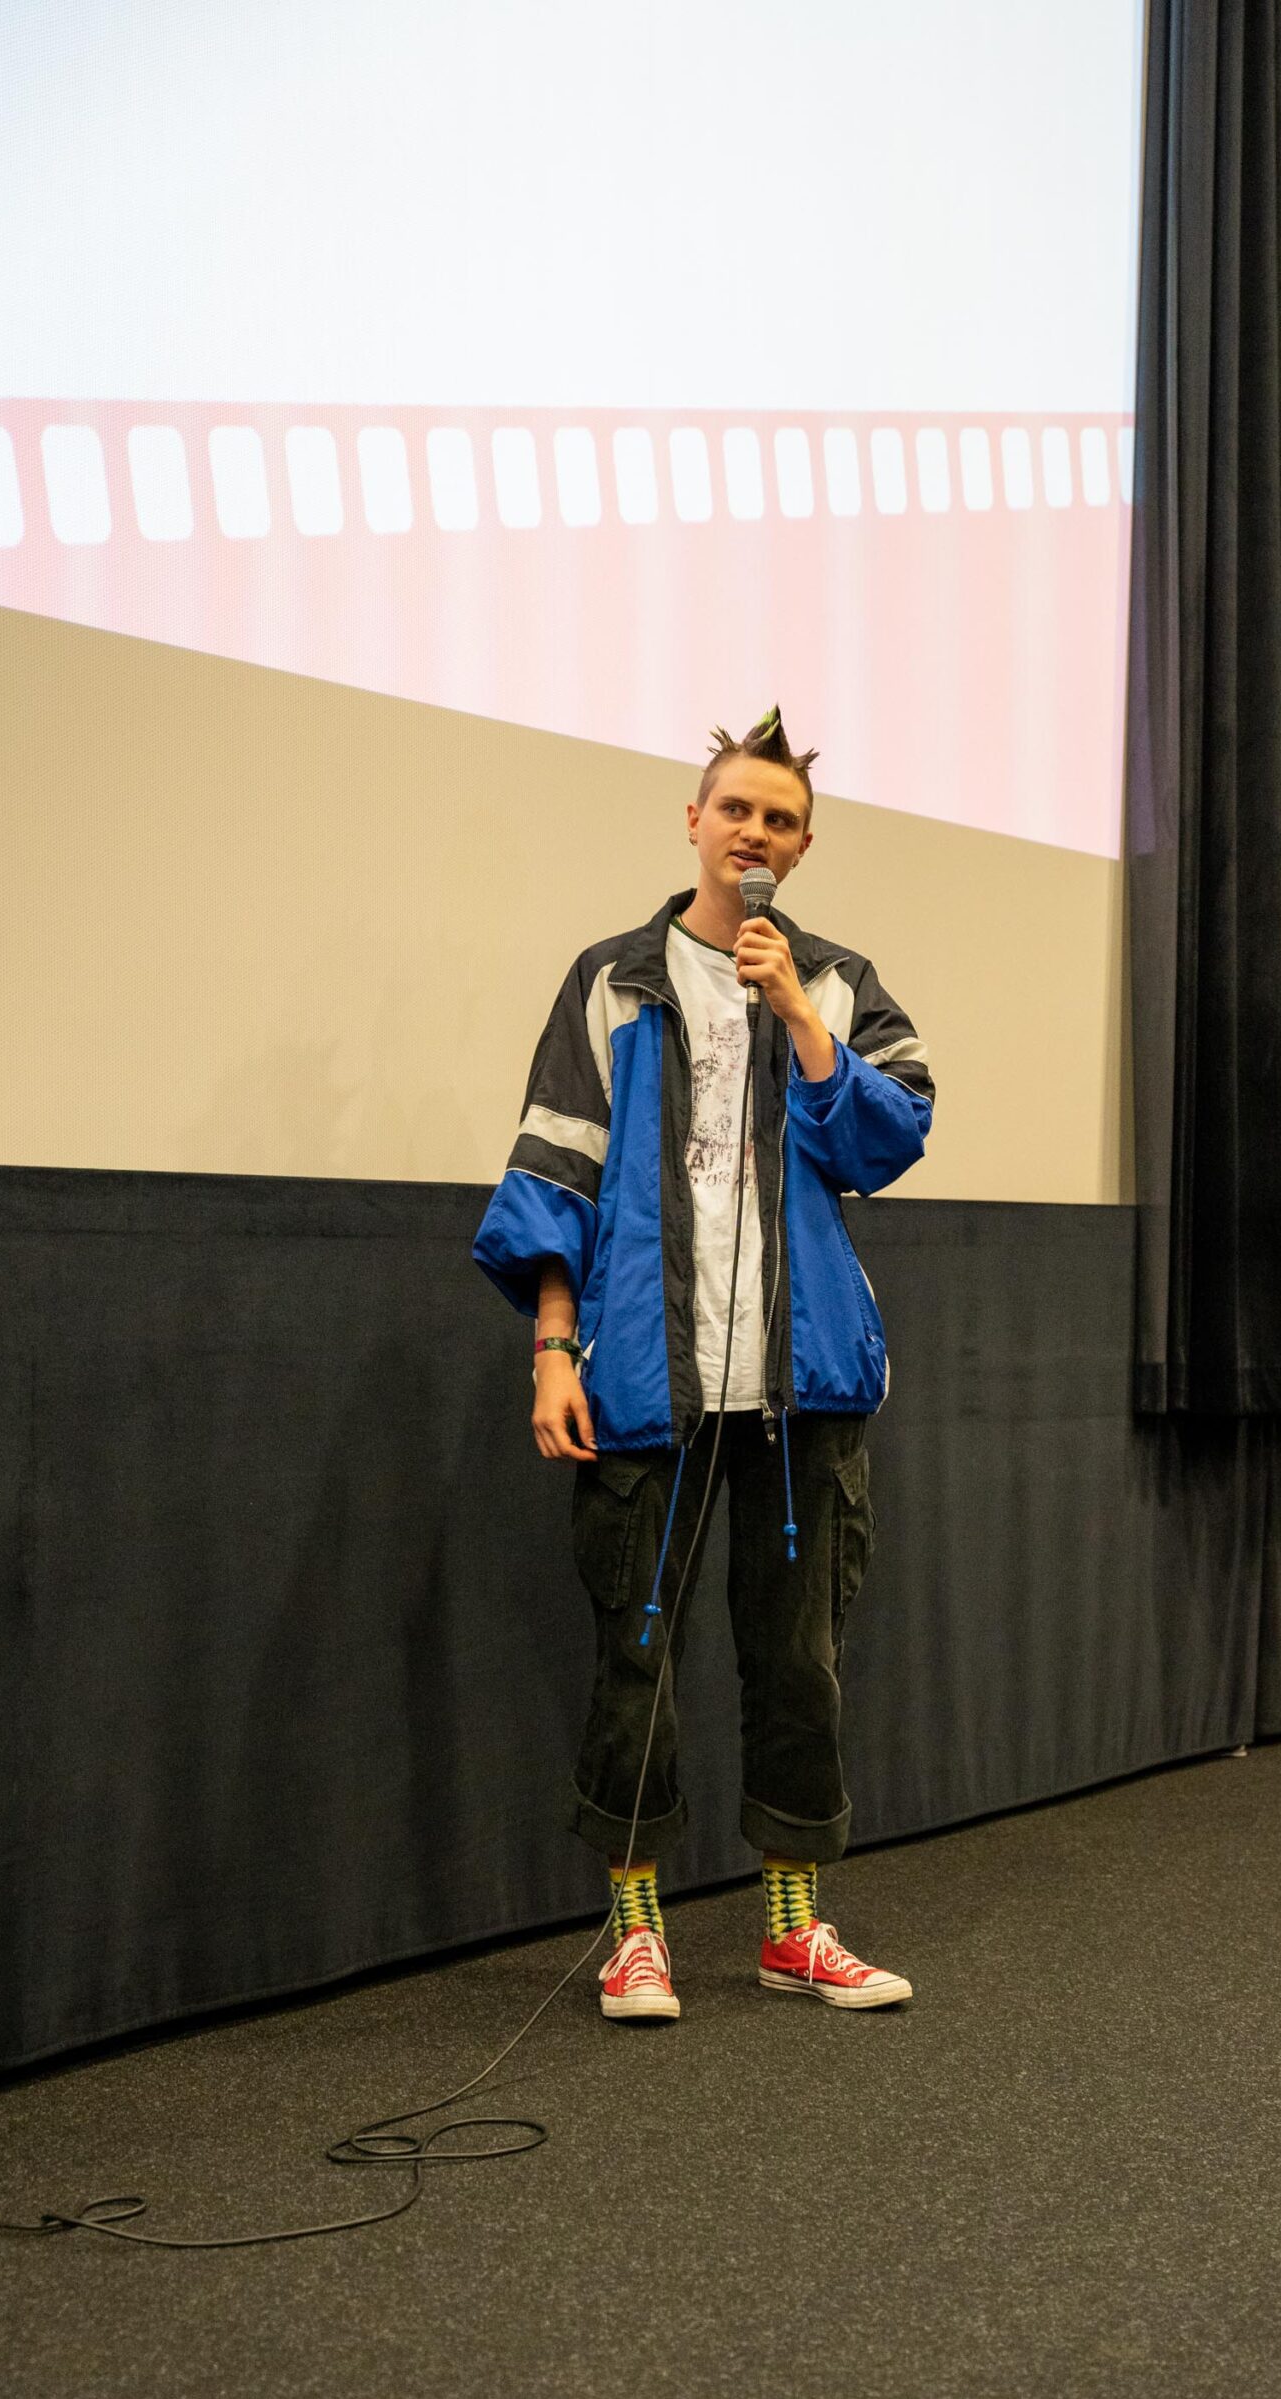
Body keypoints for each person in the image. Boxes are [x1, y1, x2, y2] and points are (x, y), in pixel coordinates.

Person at [472, 709, 934, 2025]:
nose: (757, 834)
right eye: (737, 809)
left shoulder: (836, 979)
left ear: (803, 844)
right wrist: (554, 1348)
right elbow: (553, 1173)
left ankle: (794, 1924)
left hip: (805, 1387)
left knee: (803, 1660)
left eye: (781, 820)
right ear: (695, 820)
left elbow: (890, 1135)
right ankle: (636, 1931)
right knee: (638, 1654)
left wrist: (795, 1012)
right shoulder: (613, 978)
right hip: (642, 1380)